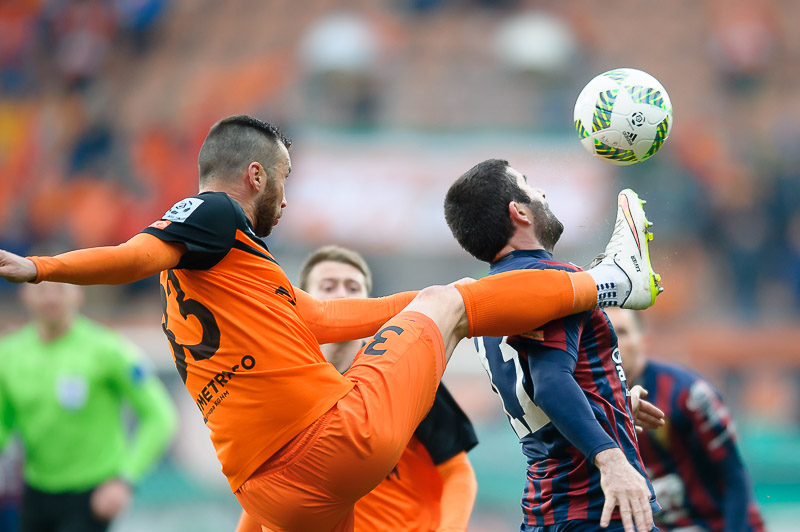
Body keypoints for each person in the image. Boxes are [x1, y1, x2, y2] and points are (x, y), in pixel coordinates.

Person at [0, 115, 661, 532]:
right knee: (452, 303)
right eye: (283, 182)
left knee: (438, 302)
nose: (285, 200)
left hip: (272, 496)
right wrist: (42, 267)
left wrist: (418, 300)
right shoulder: (210, 214)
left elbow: (319, 318)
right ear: (254, 174)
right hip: (332, 445)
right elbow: (137, 253)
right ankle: (611, 281)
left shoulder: (222, 286)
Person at [444, 158, 665, 532]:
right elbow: (549, 384)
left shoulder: (485, 303)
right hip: (595, 507)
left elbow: (536, 392)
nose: (542, 192)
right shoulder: (549, 284)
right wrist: (610, 459)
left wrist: (612, 402)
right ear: (519, 212)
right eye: (529, 186)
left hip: (547, 509)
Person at [237, 244, 479, 532]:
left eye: (353, 287)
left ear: (368, 301)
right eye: (328, 286)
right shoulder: (285, 384)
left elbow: (457, 470)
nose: (341, 294)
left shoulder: (402, 370)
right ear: (304, 300)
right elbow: (270, 488)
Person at [0, 281, 178, 532]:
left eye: (60, 289)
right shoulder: (8, 355)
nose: (51, 298)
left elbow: (159, 416)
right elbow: (3, 424)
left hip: (93, 494)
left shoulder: (107, 349)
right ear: (24, 295)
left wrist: (125, 479)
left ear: (79, 294)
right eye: (41, 290)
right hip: (35, 490)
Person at [605, 308, 766, 532]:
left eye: (621, 332)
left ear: (644, 341)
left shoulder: (688, 394)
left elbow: (734, 477)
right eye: (603, 333)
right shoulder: (584, 405)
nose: (612, 342)